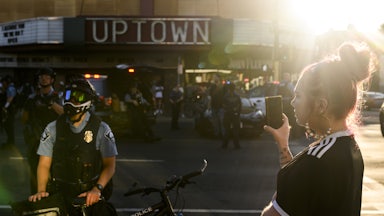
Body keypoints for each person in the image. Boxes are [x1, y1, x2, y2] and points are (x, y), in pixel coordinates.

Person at [261, 42, 375, 216]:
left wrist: (285, 186)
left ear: (321, 105)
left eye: (298, 96)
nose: (292, 102)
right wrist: (283, 143)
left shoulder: (316, 160)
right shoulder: (350, 147)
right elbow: (308, 184)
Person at [28, 79, 118, 215]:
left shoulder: (101, 128)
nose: (72, 100)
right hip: (60, 193)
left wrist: (97, 189)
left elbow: (109, 165)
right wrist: (41, 191)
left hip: (88, 194)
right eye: (69, 95)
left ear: (88, 100)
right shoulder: (52, 128)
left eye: (79, 96)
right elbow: (44, 164)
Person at [22, 67, 64, 194]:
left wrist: (51, 104)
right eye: (41, 77)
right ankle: (37, 200)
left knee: (56, 173)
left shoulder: (58, 97)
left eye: (46, 77)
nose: (44, 79)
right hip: (35, 141)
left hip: (55, 142)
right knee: (35, 173)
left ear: (52, 80)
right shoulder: (32, 98)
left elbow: (65, 115)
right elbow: (24, 119)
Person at [221, 82, 242, 149]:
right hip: (235, 115)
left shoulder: (225, 96)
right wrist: (237, 113)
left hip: (227, 115)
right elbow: (240, 106)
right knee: (235, 130)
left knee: (227, 130)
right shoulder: (237, 96)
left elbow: (223, 106)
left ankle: (225, 145)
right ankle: (236, 145)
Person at [1, 75, 17, 149]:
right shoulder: (8, 88)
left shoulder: (10, 88)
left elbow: (10, 98)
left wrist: (5, 107)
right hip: (9, 110)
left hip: (10, 110)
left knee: (9, 126)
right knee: (8, 127)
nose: (3, 83)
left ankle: (11, 143)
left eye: (3, 82)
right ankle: (10, 142)